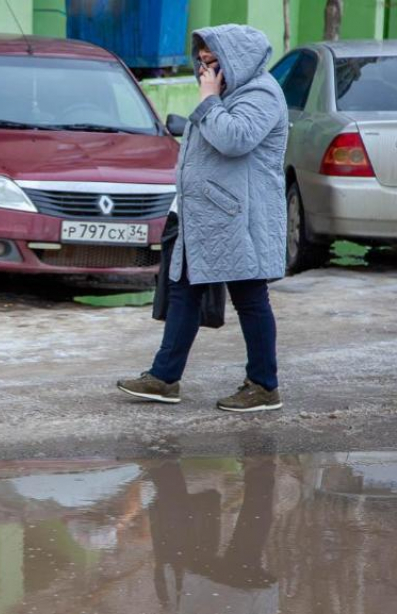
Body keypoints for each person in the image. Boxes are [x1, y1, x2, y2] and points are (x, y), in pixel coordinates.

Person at [117, 25, 289, 412]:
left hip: (239, 216)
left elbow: (236, 139)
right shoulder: (226, 93)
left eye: (212, 61)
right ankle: (164, 378)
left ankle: (264, 385)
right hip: (203, 214)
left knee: (249, 297)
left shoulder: (260, 94)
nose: (203, 70)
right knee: (183, 291)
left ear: (235, 59)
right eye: (200, 61)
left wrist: (209, 100)